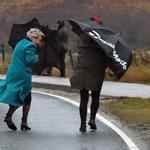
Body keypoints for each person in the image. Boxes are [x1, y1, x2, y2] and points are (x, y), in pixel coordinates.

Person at [0, 28, 45, 131]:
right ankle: (13, 118)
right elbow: (29, 60)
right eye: (39, 39)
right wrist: (37, 57)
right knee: (24, 96)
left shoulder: (21, 42)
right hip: (22, 74)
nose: (39, 42)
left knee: (22, 95)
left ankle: (22, 121)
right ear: (35, 37)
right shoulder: (30, 46)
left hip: (13, 72)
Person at [70, 16, 107, 132]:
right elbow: (107, 56)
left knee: (83, 98)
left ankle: (82, 124)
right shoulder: (102, 39)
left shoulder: (82, 37)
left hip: (83, 70)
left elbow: (80, 53)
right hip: (97, 70)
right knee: (95, 97)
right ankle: (92, 119)